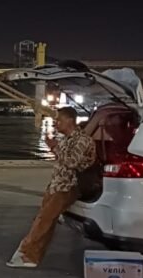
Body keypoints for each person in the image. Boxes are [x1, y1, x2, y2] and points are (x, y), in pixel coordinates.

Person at [8, 106, 96, 268]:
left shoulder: (82, 140)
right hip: (56, 185)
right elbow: (63, 159)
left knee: (43, 220)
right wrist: (55, 147)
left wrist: (55, 147)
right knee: (45, 220)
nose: (56, 124)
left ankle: (27, 254)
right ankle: (33, 256)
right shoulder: (67, 139)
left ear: (70, 121)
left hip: (67, 187)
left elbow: (72, 162)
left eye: (59, 120)